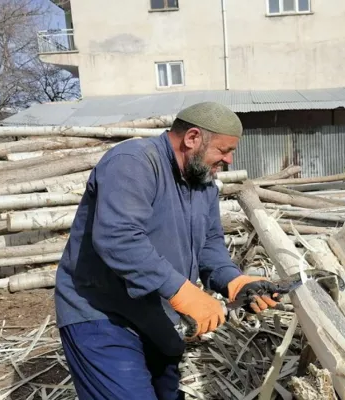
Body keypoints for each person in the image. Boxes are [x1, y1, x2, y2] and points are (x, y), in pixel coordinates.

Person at [55, 102, 282, 399]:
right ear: (192, 138)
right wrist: (183, 292)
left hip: (157, 311)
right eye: (224, 150)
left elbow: (210, 244)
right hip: (102, 312)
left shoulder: (204, 184)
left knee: (167, 393)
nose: (229, 160)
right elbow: (118, 237)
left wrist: (233, 280)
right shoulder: (133, 162)